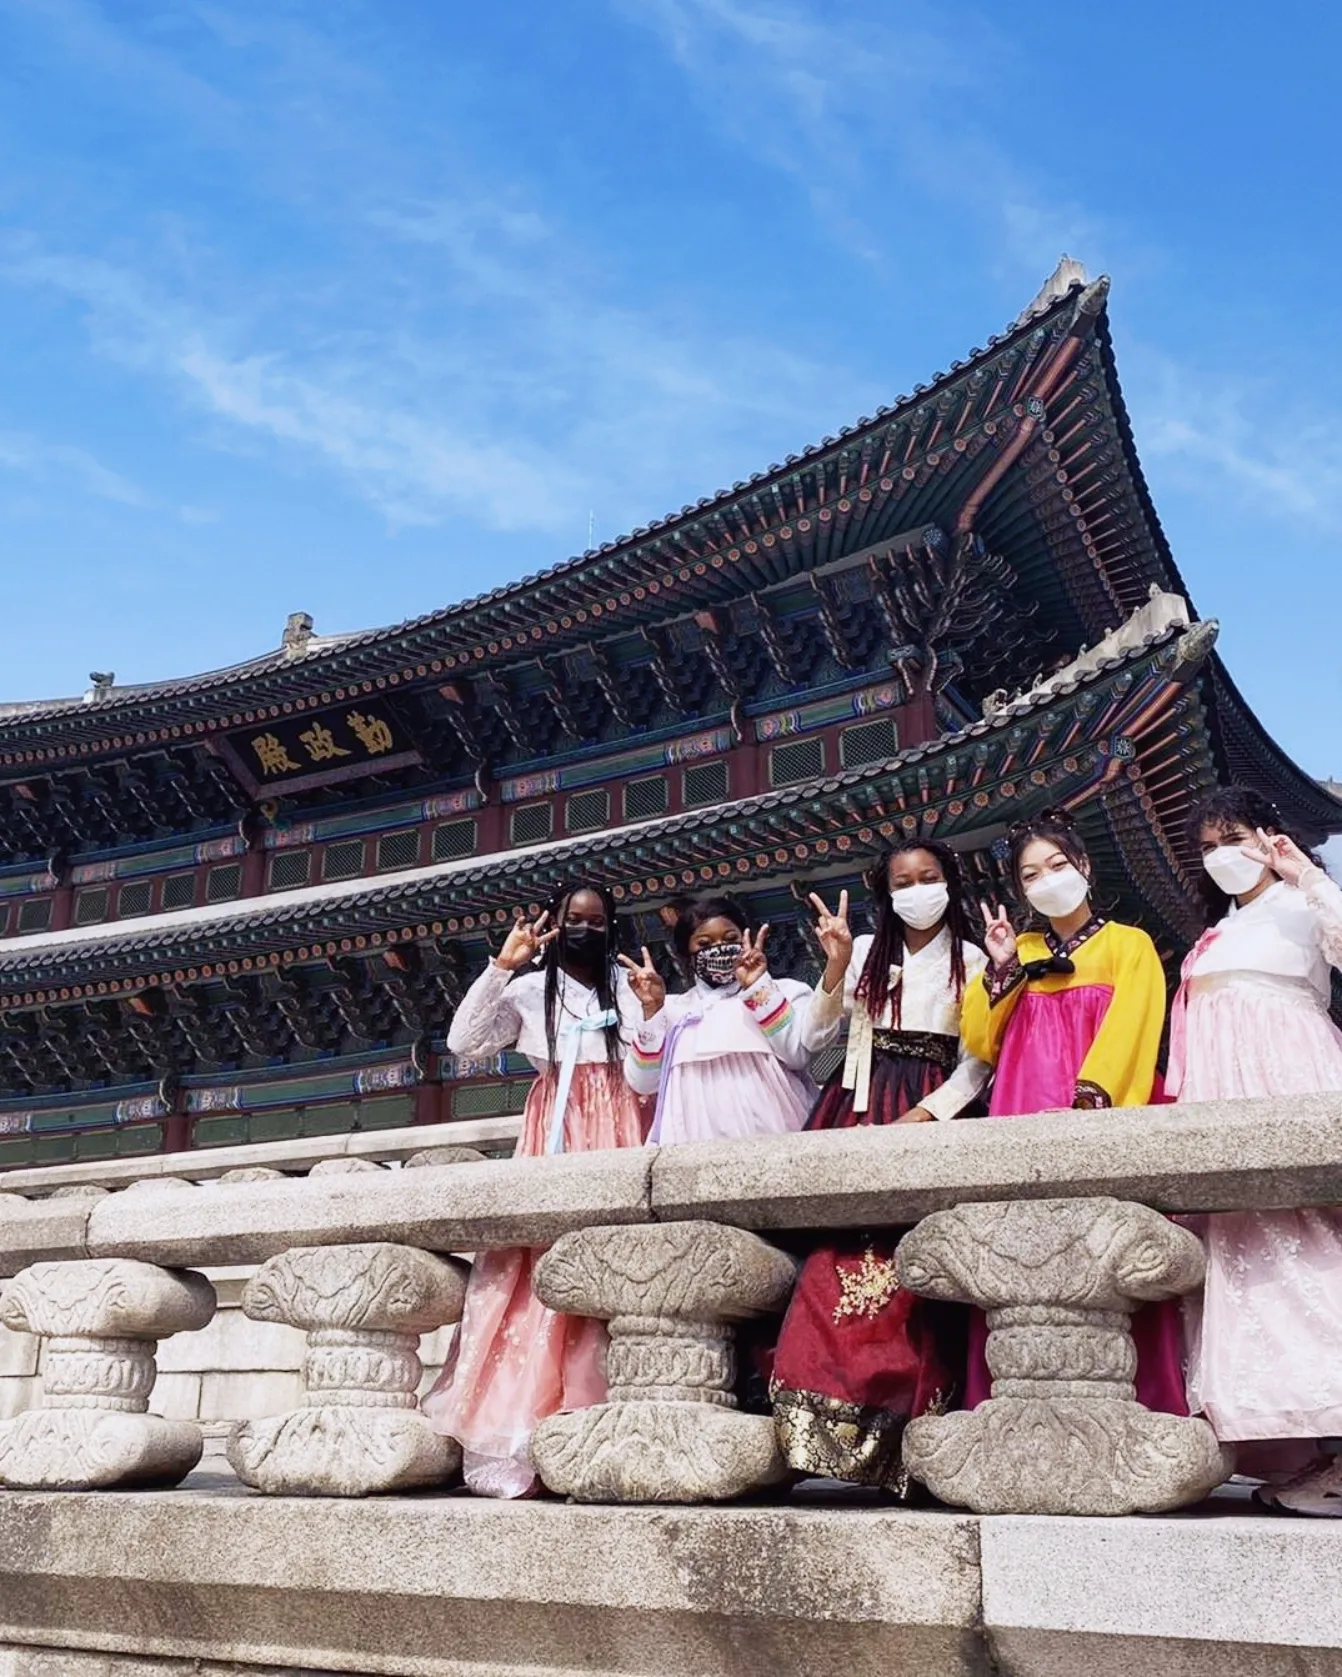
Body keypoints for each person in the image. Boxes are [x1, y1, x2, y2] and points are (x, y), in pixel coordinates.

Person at [769, 839, 991, 1495]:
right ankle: (811, 1431)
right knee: (825, 1266)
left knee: (909, 1277)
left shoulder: (973, 958)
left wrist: (930, 1112)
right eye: (903, 880)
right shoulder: (863, 949)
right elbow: (812, 1038)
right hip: (855, 1104)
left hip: (929, 1107)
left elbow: (977, 1058)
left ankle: (907, 1446)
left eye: (929, 877)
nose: (917, 888)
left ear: (950, 882)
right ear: (885, 890)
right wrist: (835, 965)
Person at [420, 882, 646, 1498]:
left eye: (597, 921)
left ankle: (607, 1416)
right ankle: (527, 1429)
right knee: (537, 1269)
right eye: (574, 919)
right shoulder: (526, 990)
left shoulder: (626, 987)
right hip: (557, 1122)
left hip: (625, 1119)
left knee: (615, 1265)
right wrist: (502, 964)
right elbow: (464, 1042)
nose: (585, 929)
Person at [959, 807, 1183, 1411]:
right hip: (1020, 1107)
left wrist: (1092, 1102)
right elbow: (981, 1040)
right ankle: (1011, 1398)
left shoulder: (1127, 945)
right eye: (1031, 874)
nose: (1047, 879)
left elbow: (1133, 1028)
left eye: (1057, 864)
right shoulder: (1019, 951)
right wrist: (1002, 968)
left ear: (1083, 865)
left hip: (1094, 1107)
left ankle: (1137, 1401)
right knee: (1017, 1249)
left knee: (1108, 1251)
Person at [1167, 785, 1342, 1515]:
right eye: (1207, 846)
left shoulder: (1306, 904)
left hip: (1288, 1074)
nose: (1220, 857)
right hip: (1219, 1090)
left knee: (1312, 1242)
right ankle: (1311, 1451)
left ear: (1267, 836)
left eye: (1231, 837)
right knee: (1243, 1258)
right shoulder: (1215, 931)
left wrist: (1309, 875)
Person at [620, 895, 819, 1142]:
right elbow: (643, 1083)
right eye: (704, 943)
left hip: (776, 1129)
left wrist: (757, 987)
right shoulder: (672, 1011)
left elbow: (796, 1055)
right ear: (687, 953)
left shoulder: (784, 992)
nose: (719, 948)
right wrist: (651, 1010)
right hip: (693, 1139)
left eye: (730, 939)